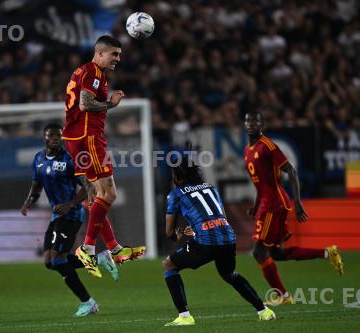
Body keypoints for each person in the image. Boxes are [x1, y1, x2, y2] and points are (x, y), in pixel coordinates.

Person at [62, 35, 145, 277]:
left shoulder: (82, 71)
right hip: (88, 139)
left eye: (119, 54)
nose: (118, 58)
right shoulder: (94, 73)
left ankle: (114, 248)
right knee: (109, 193)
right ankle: (87, 249)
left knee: (95, 197)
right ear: (100, 53)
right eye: (114, 54)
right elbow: (86, 105)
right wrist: (112, 104)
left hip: (76, 140)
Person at [244, 111, 344, 306]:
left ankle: (283, 296)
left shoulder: (268, 146)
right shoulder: (248, 149)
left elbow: (291, 170)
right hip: (266, 203)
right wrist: (255, 205)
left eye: (255, 120)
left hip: (274, 204)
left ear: (262, 124)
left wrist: (298, 203)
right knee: (277, 254)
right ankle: (327, 253)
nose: (251, 123)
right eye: (248, 120)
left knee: (259, 252)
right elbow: (261, 183)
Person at [162, 155, 276, 326]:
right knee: (228, 274)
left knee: (168, 264)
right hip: (228, 238)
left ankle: (185, 317)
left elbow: (169, 231)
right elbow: (220, 215)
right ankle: (263, 310)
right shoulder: (211, 188)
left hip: (205, 242)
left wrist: (176, 236)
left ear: (177, 176)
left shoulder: (176, 194)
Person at [20, 123, 119, 317]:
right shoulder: (38, 159)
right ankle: (100, 259)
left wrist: (70, 203)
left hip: (72, 214)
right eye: (52, 135)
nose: (56, 138)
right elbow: (37, 184)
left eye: (59, 136)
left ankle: (88, 302)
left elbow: (88, 187)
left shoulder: (69, 160)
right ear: (44, 138)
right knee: (49, 261)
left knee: (58, 260)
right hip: (58, 214)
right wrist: (28, 202)